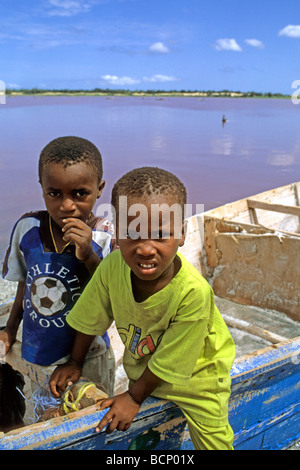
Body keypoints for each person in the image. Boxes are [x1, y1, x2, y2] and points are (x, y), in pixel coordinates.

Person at [49, 166, 235, 450]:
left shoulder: (193, 293)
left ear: (182, 234)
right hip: (145, 370)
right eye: (133, 235)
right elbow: (90, 317)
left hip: (198, 378)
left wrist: (134, 398)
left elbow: (171, 361)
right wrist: (75, 362)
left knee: (215, 441)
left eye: (160, 236)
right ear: (117, 235)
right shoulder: (113, 267)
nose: (146, 249)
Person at [0, 136, 116, 428]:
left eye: (80, 194)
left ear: (99, 189)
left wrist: (88, 254)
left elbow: (108, 297)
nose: (67, 206)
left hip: (88, 356)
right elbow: (26, 285)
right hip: (37, 350)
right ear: (41, 188)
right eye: (54, 193)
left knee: (88, 421)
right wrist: (9, 329)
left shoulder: (105, 236)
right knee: (39, 414)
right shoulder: (28, 228)